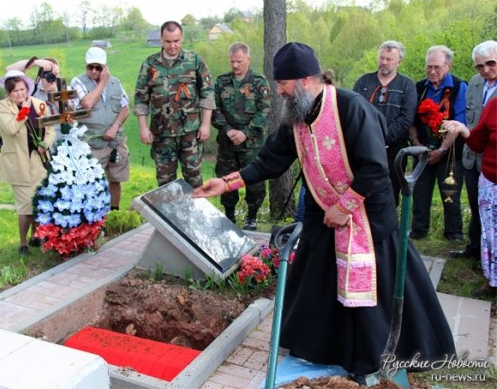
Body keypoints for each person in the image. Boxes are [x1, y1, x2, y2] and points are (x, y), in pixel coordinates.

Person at [193, 42, 455, 383]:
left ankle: (372, 356)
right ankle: (323, 349)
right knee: (317, 281)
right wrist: (228, 183)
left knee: (371, 293)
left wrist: (344, 207)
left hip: (367, 216)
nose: (278, 90)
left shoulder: (351, 107)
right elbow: (272, 159)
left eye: (283, 83)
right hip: (322, 216)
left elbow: (375, 168)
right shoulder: (297, 114)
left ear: (303, 80)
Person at [134, 20, 215, 188]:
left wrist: (206, 124)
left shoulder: (194, 61)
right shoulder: (150, 64)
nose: (172, 45)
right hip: (162, 134)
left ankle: (194, 214)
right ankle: (169, 214)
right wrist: (143, 127)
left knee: (194, 179)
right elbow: (141, 98)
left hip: (190, 133)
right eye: (168, 41)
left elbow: (207, 93)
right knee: (165, 183)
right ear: (161, 40)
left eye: (176, 41)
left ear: (182, 39)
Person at [408, 45, 468, 241]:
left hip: (449, 151)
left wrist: (442, 149)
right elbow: (412, 121)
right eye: (429, 67)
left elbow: (459, 122)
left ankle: (454, 232)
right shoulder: (418, 88)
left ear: (448, 66)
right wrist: (417, 144)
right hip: (422, 149)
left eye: (437, 67)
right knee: (420, 191)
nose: (432, 71)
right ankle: (418, 229)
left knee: (450, 192)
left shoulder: (459, 87)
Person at [0, 69, 55, 255]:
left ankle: (36, 235)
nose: (20, 94)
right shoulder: (2, 107)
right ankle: (22, 243)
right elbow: (11, 128)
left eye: (22, 89)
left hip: (38, 160)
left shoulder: (40, 104)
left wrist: (45, 143)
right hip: (18, 162)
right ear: (8, 93)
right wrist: (25, 110)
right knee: (25, 206)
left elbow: (50, 129)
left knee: (39, 201)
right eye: (15, 91)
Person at [213, 42, 270, 230]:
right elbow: (214, 110)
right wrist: (228, 130)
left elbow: (264, 111)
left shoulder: (259, 83)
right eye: (232, 62)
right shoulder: (221, 82)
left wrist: (245, 133)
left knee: (254, 182)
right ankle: (229, 216)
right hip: (227, 144)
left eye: (239, 61)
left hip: (251, 145)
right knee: (228, 181)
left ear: (248, 59)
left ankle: (251, 218)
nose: (235, 65)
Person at [443, 97, 497, 297]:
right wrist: (463, 130)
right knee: (491, 236)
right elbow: (477, 144)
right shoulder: (493, 105)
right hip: (491, 182)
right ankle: (492, 281)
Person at [353, 40, 417, 206]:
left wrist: (382, 138)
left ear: (399, 62)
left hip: (394, 150)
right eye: (382, 58)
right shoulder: (363, 82)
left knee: (390, 191)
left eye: (389, 59)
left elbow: (406, 118)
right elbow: (353, 112)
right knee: (362, 189)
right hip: (363, 147)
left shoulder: (407, 85)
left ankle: (388, 229)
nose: (384, 62)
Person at [451, 40, 497, 260]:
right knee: (476, 205)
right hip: (473, 156)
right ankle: (475, 248)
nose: (486, 70)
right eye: (480, 66)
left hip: (493, 161)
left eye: (491, 63)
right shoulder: (475, 84)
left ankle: (490, 257)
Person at [70, 47, 130, 211]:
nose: (94, 71)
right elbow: (87, 103)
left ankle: (114, 213)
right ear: (85, 66)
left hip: (115, 142)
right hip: (92, 143)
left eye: (99, 67)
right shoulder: (78, 82)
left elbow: (125, 108)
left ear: (105, 66)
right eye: (91, 67)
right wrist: (103, 82)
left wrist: (115, 126)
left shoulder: (115, 82)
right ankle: (94, 217)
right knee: (91, 182)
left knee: (115, 180)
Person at [7, 56, 73, 141]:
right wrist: (34, 62)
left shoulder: (65, 89)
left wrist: (55, 93)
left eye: (57, 74)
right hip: (41, 143)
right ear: (41, 75)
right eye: (51, 74)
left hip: (64, 144)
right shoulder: (32, 91)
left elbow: (72, 119)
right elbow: (10, 71)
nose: (55, 78)